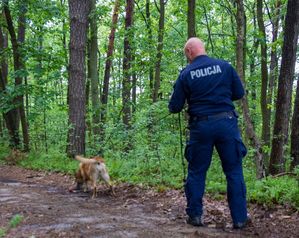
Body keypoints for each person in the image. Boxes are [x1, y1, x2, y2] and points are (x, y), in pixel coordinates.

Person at [168, 37, 249, 229]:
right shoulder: (225, 66)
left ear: (189, 52)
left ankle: (195, 216)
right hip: (227, 123)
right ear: (202, 48)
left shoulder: (186, 73)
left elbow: (175, 107)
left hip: (201, 127)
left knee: (196, 171)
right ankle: (239, 219)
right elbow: (238, 93)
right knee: (234, 171)